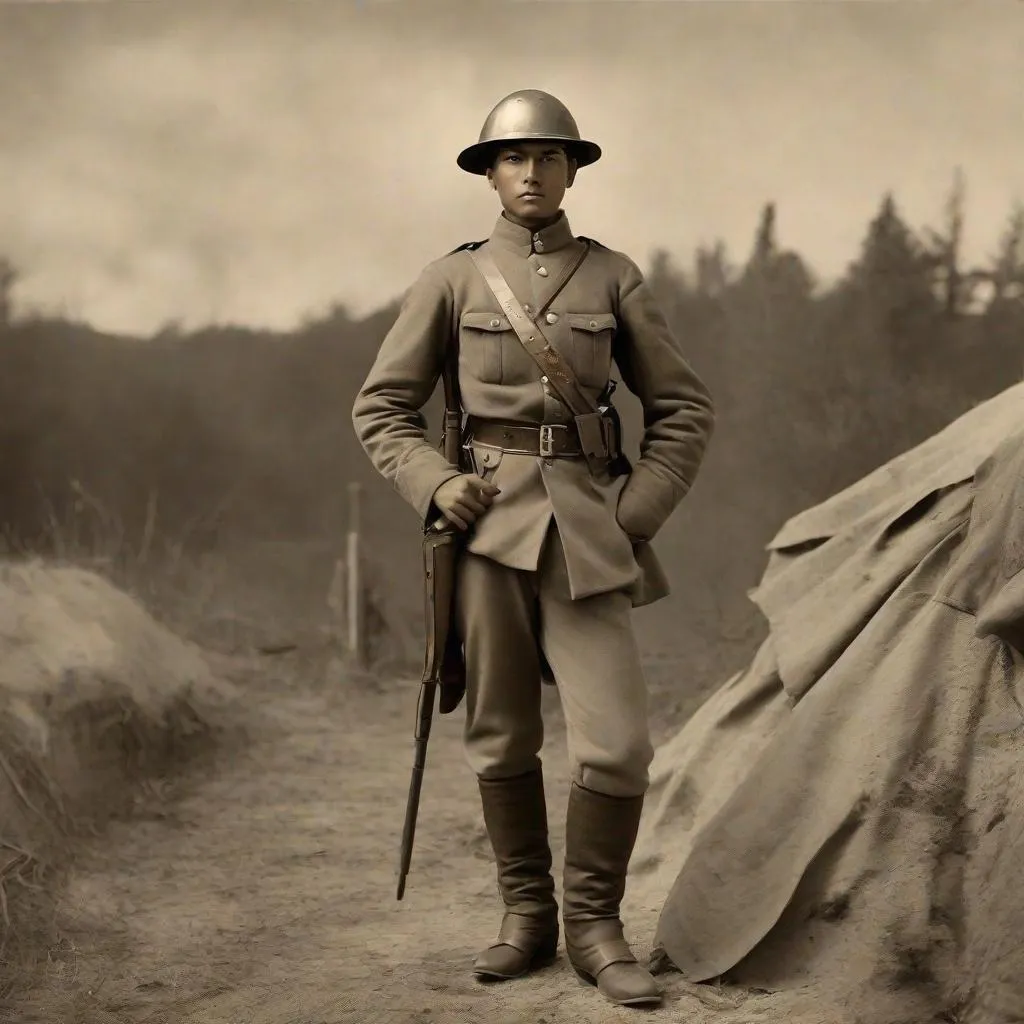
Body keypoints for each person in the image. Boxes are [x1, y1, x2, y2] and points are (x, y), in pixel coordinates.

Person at [351, 89, 715, 1008]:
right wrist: (436, 482)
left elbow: (683, 411)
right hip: (481, 535)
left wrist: (636, 511)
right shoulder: (452, 280)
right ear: (489, 174)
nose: (531, 173)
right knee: (500, 734)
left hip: (588, 534)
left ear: (572, 170)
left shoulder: (614, 278)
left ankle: (597, 928)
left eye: (549, 157)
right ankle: (527, 919)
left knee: (618, 745)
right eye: (512, 158)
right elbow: (381, 410)